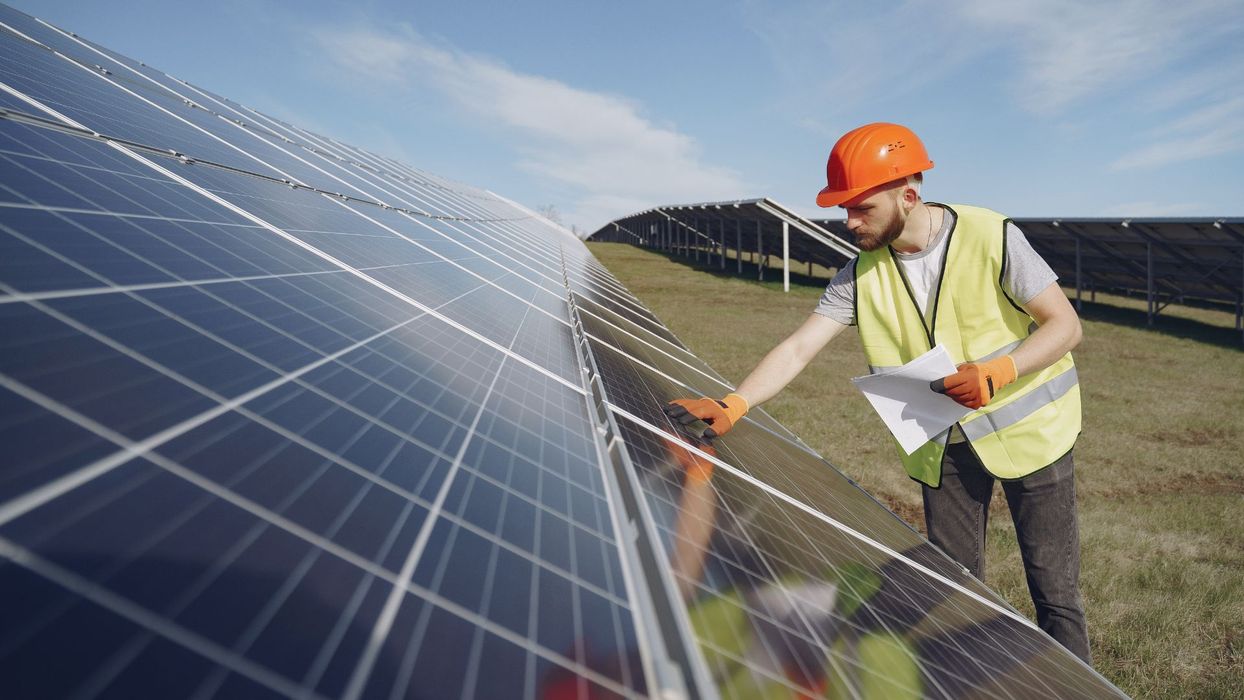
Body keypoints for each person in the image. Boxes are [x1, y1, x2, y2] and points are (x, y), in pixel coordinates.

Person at [664, 122, 1091, 664]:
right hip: (943, 445)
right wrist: (735, 403)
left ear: (907, 196)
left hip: (1033, 434)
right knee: (952, 586)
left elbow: (1065, 325)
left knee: (1055, 593)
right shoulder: (859, 273)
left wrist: (998, 370)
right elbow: (799, 348)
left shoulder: (990, 235)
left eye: (861, 208)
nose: (848, 221)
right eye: (844, 208)